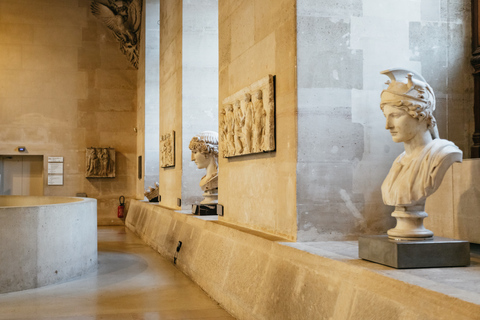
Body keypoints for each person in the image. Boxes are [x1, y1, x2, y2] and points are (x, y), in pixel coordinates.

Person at [379, 68, 462, 239]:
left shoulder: (443, 154)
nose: (388, 125)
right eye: (386, 116)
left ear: (421, 115)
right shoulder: (399, 162)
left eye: (395, 115)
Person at [189, 131, 219, 204]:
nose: (192, 158)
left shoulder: (220, 178)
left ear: (209, 151)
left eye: (195, 152)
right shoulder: (204, 180)